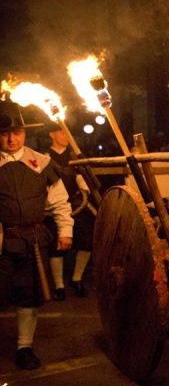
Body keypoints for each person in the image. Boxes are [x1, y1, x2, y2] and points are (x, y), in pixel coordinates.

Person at [0, 111, 73, 370]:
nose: (11, 139)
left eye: (17, 133)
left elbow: (60, 202)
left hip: (32, 241)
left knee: (29, 296)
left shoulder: (41, 163)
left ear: (25, 133)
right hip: (2, 243)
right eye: (5, 133)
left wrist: (65, 231)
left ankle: (24, 347)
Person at [45, 125, 93, 300]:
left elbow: (79, 176)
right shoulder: (44, 157)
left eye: (68, 132)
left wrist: (85, 188)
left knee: (87, 242)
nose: (66, 135)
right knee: (56, 247)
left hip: (75, 204)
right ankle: (59, 286)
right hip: (52, 207)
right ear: (52, 133)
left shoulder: (74, 156)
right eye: (62, 131)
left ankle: (77, 279)